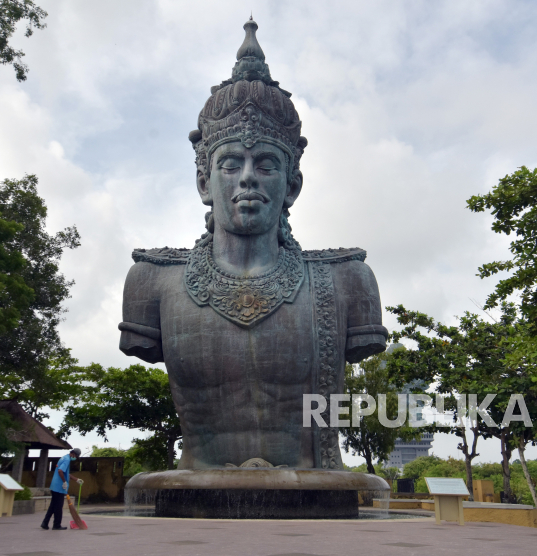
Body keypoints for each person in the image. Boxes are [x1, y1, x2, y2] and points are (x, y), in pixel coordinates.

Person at [118, 18, 387, 471]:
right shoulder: (152, 281)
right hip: (192, 503)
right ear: (204, 182)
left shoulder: (345, 282)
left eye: (265, 164)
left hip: (316, 494)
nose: (247, 177)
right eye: (230, 165)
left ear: (291, 185)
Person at [40, 448, 84, 530]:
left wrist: (76, 479)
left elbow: (65, 473)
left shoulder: (64, 457)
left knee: (53, 505)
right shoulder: (67, 460)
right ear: (73, 454)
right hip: (59, 487)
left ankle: (45, 523)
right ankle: (56, 525)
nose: (75, 459)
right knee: (59, 506)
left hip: (54, 485)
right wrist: (64, 482)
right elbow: (60, 471)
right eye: (76, 457)